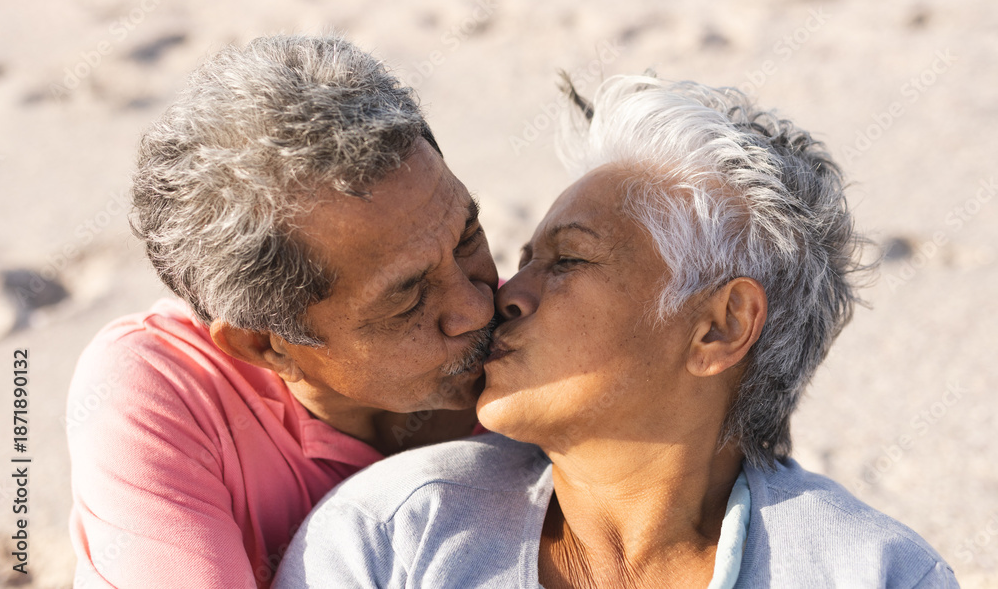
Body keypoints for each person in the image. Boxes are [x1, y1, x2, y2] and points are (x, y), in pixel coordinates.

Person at [274, 76, 959, 587]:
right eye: (524, 263)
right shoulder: (390, 536)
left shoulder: (872, 572)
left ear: (719, 326)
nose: (505, 298)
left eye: (568, 260)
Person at [66, 35, 499, 588]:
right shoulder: (164, 392)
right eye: (409, 297)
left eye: (468, 238)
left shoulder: (548, 328)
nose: (477, 304)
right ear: (264, 345)